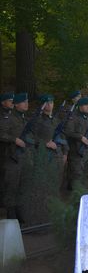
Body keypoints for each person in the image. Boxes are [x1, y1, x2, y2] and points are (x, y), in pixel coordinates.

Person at [0, 92, 31, 222]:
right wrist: (14, 139)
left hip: (23, 158)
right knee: (11, 188)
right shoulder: (8, 118)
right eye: (23, 102)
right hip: (11, 159)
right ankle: (11, 218)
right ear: (16, 105)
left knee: (22, 188)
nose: (26, 104)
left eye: (27, 101)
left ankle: (20, 216)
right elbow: (1, 134)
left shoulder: (24, 118)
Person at [32, 94, 64, 177]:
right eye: (47, 103)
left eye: (51, 102)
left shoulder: (56, 120)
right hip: (41, 154)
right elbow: (31, 137)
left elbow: (62, 136)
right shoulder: (37, 119)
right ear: (42, 105)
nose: (50, 105)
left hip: (57, 156)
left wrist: (65, 153)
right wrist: (45, 143)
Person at [64, 97, 88, 189]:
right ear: (80, 106)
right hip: (75, 151)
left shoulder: (87, 119)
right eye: (86, 105)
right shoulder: (73, 118)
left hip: (84, 152)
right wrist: (80, 137)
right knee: (75, 175)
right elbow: (68, 131)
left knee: (82, 176)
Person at [0, 92, 14, 212]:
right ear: (3, 102)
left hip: (10, 152)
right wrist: (14, 139)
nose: (12, 103)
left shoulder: (13, 115)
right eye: (10, 100)